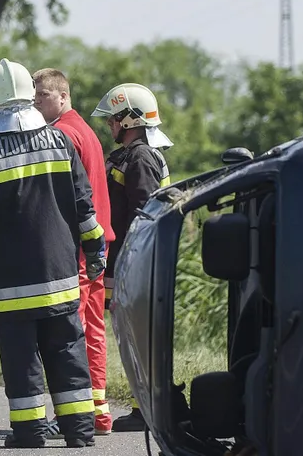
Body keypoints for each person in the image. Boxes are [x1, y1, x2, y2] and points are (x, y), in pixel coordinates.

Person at [0, 59, 107, 449]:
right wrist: (95, 249)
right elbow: (84, 207)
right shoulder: (61, 141)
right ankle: (80, 431)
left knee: (22, 359)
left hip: (10, 285)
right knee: (68, 353)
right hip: (62, 276)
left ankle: (30, 432)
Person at [33, 68, 115, 435]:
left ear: (62, 96)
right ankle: (97, 413)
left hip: (77, 247)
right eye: (34, 98)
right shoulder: (85, 130)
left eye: (42, 97)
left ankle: (73, 413)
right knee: (93, 329)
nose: (36, 104)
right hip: (97, 242)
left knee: (72, 332)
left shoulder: (61, 134)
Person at [92, 81, 173, 433]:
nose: (109, 125)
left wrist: (130, 264)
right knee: (131, 334)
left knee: (137, 336)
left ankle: (148, 411)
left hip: (135, 262)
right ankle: (149, 407)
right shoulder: (131, 155)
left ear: (129, 120)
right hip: (127, 261)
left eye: (113, 119)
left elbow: (143, 214)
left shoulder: (140, 158)